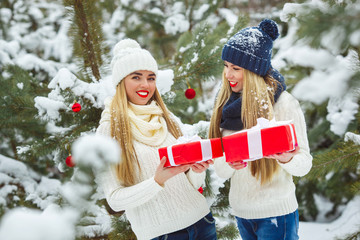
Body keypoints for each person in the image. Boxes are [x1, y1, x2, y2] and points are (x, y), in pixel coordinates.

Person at [96, 38, 217, 240]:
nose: (145, 84)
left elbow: (191, 182)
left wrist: (197, 170)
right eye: (136, 77)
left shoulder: (167, 119)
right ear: (120, 81)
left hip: (202, 222)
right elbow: (115, 200)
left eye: (151, 78)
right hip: (161, 234)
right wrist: (157, 181)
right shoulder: (109, 130)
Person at [209, 19, 312, 240]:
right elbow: (219, 170)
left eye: (236, 68)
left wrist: (286, 159)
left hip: (277, 214)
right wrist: (229, 163)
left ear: (254, 71)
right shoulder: (225, 104)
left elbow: (304, 164)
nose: (228, 75)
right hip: (242, 213)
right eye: (226, 66)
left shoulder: (284, 104)